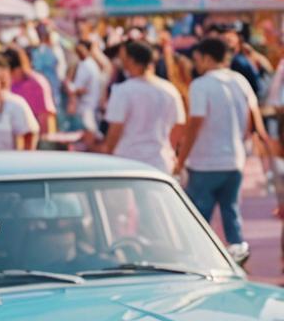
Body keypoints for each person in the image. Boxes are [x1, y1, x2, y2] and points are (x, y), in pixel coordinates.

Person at [174, 37, 273, 262]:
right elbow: (253, 118)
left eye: (198, 59)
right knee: (231, 211)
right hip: (234, 159)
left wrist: (181, 159)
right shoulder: (239, 81)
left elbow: (195, 123)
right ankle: (238, 252)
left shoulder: (201, 85)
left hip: (206, 161)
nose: (195, 64)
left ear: (208, 58)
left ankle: (200, 259)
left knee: (198, 217)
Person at [102, 41, 185, 173]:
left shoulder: (123, 91)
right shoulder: (169, 90)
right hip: (160, 163)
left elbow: (114, 130)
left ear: (130, 60)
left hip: (127, 162)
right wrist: (170, 150)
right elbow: (179, 126)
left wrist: (108, 156)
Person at [5, 45, 56, 135]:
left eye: (11, 71)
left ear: (20, 67)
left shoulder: (37, 83)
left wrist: (44, 142)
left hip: (34, 136)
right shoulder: (7, 84)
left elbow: (46, 115)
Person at [67, 38, 103, 148]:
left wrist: (69, 86)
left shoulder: (86, 65)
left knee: (87, 140)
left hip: (86, 108)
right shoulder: (89, 64)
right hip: (89, 106)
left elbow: (79, 89)